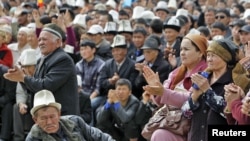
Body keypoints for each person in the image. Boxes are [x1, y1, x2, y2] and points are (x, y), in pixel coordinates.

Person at [142, 33, 208, 141]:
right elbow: (161, 101)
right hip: (174, 124)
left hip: (195, 126)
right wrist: (155, 88)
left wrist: (163, 92)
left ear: (200, 52)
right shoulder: (176, 73)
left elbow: (191, 99)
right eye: (181, 49)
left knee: (160, 135)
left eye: (186, 49)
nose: (182, 53)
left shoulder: (206, 73)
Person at [3, 23, 79, 116]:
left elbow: (45, 87)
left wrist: (23, 78)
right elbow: (34, 87)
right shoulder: (41, 60)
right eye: (39, 40)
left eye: (44, 39)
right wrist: (21, 78)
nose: (41, 43)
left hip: (63, 117)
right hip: (47, 116)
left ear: (58, 42)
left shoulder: (63, 59)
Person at [25, 89, 115, 141]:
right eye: (43, 118)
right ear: (35, 120)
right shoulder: (33, 138)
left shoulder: (74, 121)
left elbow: (101, 137)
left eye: (52, 116)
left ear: (59, 114)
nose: (49, 122)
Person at [13, 49, 37, 141]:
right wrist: (21, 103)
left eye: (28, 67)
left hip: (38, 102)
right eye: (24, 67)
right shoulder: (22, 75)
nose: (26, 70)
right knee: (16, 107)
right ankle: (18, 138)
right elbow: (20, 92)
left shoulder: (40, 73)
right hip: (28, 102)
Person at [0, 65, 17, 141]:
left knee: (8, 106)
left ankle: (4, 137)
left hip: (5, 101)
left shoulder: (6, 71)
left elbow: (11, 95)